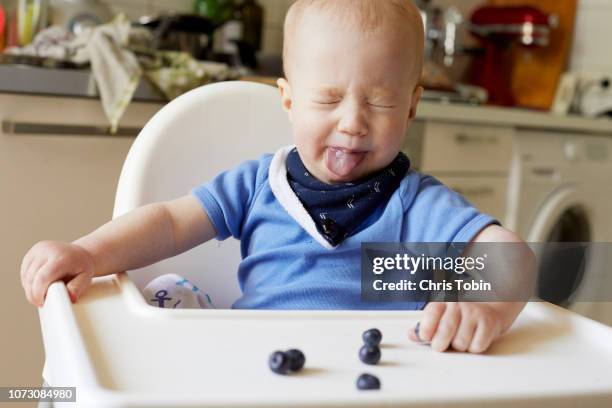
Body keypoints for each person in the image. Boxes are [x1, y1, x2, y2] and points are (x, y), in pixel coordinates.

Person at [21, 0, 529, 354]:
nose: (352, 122)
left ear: (412, 106)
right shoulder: (258, 185)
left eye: (380, 100)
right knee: (166, 292)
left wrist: (485, 305)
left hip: (378, 381)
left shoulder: (418, 204)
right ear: (288, 100)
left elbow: (512, 256)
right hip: (255, 369)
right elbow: (170, 223)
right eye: (328, 99)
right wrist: (88, 253)